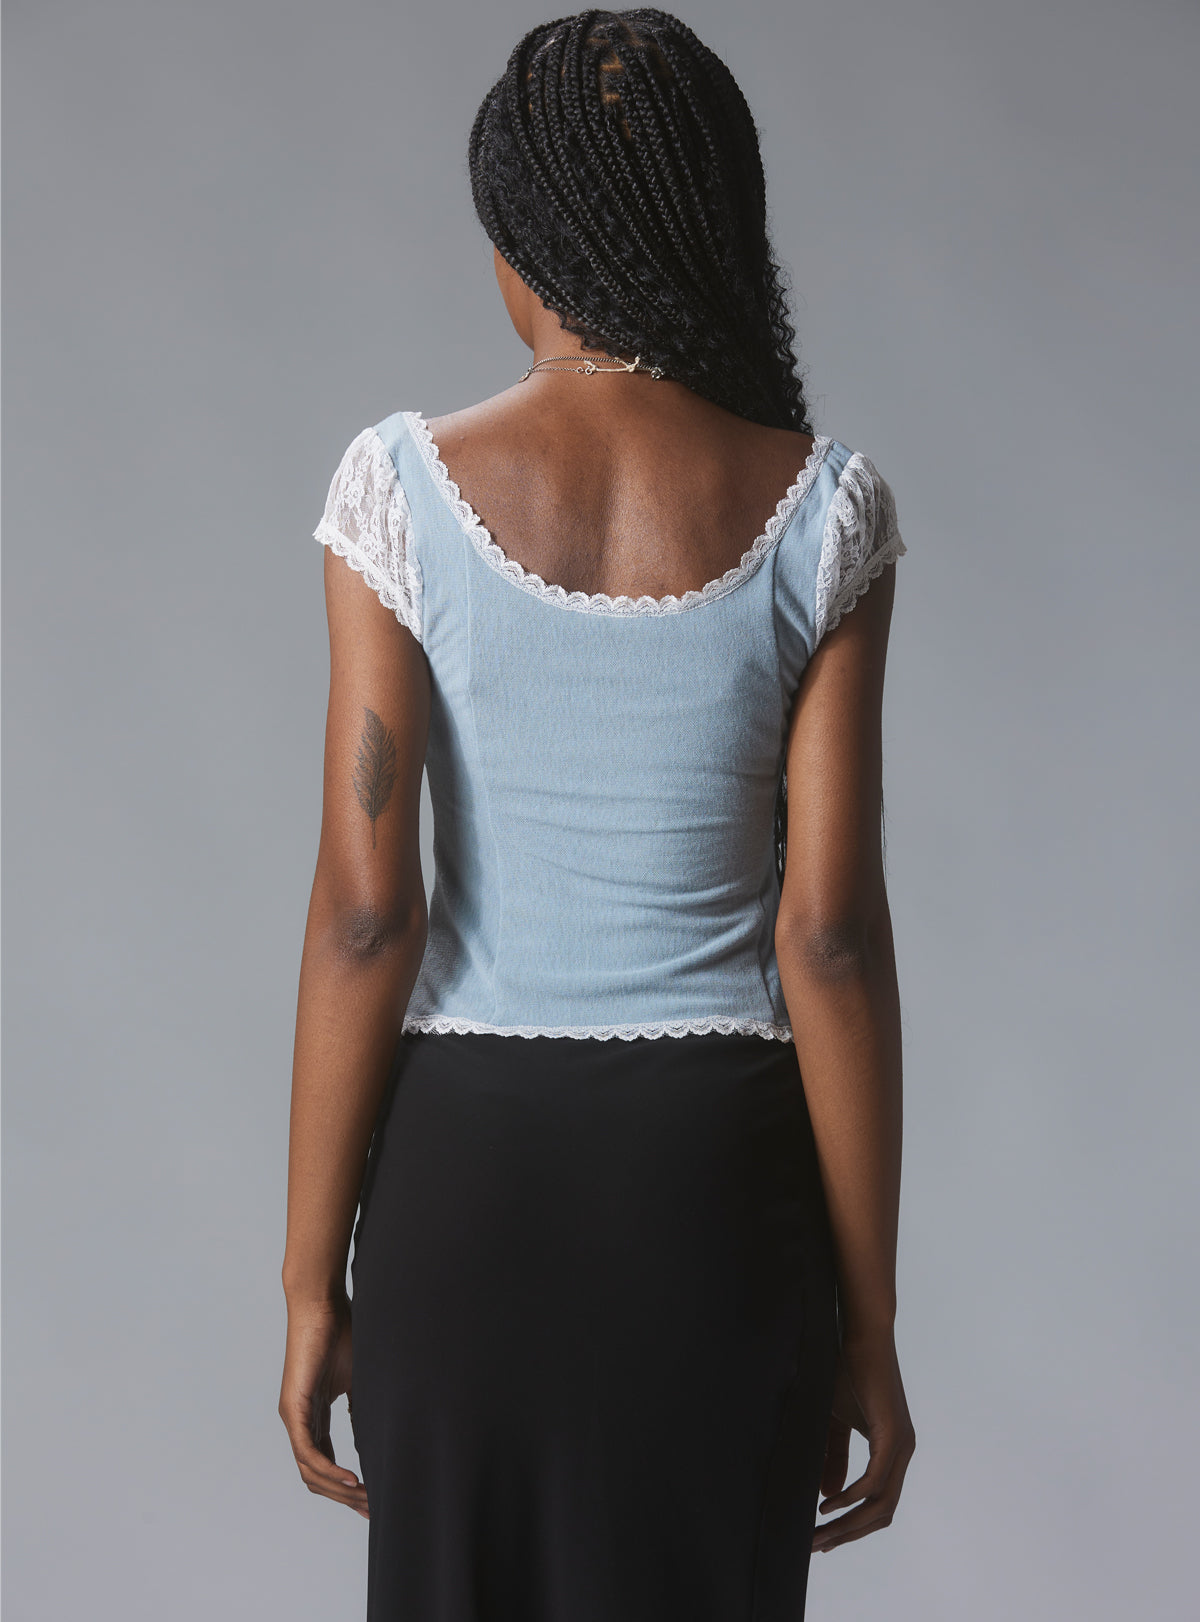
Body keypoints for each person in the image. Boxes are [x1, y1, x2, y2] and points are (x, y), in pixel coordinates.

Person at [278, 9, 915, 1619]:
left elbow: (367, 909)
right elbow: (829, 936)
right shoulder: (824, 508)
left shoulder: (395, 491)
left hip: (467, 1189)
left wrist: (308, 1281)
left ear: (521, 243)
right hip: (717, 1192)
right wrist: (870, 1320)